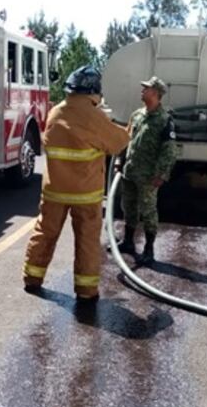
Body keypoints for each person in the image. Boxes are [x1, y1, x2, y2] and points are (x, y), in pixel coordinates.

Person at [23, 65, 130, 303]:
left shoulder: (56, 112)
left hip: (54, 190)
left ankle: (32, 278)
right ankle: (86, 291)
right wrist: (127, 127)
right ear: (93, 91)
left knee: (44, 232)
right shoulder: (95, 116)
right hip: (85, 193)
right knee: (87, 241)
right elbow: (118, 142)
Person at [113, 76, 178, 266]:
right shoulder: (137, 115)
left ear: (156, 93)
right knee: (128, 207)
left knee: (148, 211)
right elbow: (125, 140)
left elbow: (169, 151)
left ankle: (149, 250)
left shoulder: (164, 120)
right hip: (130, 171)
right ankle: (128, 242)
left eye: (146, 88)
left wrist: (161, 175)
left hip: (148, 176)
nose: (142, 90)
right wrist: (119, 160)